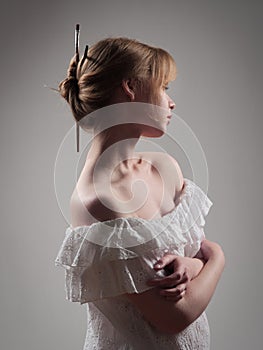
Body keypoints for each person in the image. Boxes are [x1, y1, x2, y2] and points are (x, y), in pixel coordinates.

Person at [55, 26, 225, 350]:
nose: (171, 102)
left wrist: (192, 264)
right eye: (164, 87)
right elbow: (174, 317)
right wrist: (218, 257)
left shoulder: (165, 169)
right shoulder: (98, 202)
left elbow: (195, 250)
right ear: (131, 87)